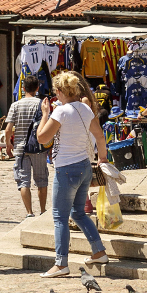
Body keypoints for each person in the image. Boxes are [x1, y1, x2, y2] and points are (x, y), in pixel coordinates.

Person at [34, 70, 109, 279]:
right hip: (84, 166)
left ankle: (61, 263)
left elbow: (42, 137)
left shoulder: (61, 112)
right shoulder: (85, 108)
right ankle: (98, 251)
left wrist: (45, 114)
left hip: (66, 168)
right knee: (78, 212)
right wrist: (102, 158)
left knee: (60, 217)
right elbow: (99, 135)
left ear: (59, 91)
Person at [5, 76, 49, 216]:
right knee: (41, 180)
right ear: (37, 88)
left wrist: (8, 145)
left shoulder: (15, 105)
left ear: (23, 89)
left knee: (23, 181)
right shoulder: (42, 104)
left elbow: (8, 129)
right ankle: (42, 210)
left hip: (20, 148)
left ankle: (29, 212)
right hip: (38, 148)